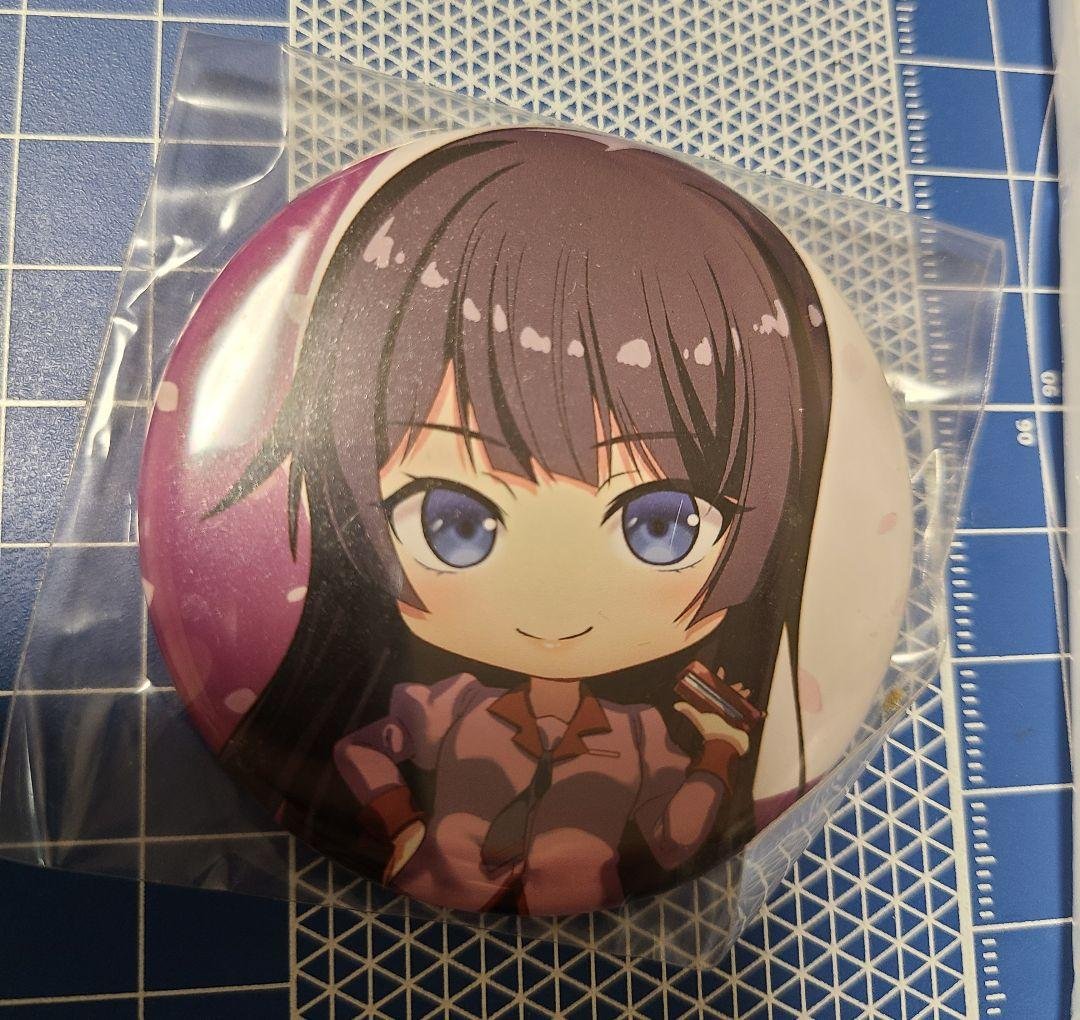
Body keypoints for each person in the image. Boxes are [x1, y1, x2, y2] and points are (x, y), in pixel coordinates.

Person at [214, 127, 832, 915]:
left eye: (659, 526)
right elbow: (361, 753)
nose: (555, 602)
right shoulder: (443, 708)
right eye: (456, 522)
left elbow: (679, 842)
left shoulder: (640, 737)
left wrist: (718, 752)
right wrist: (402, 825)